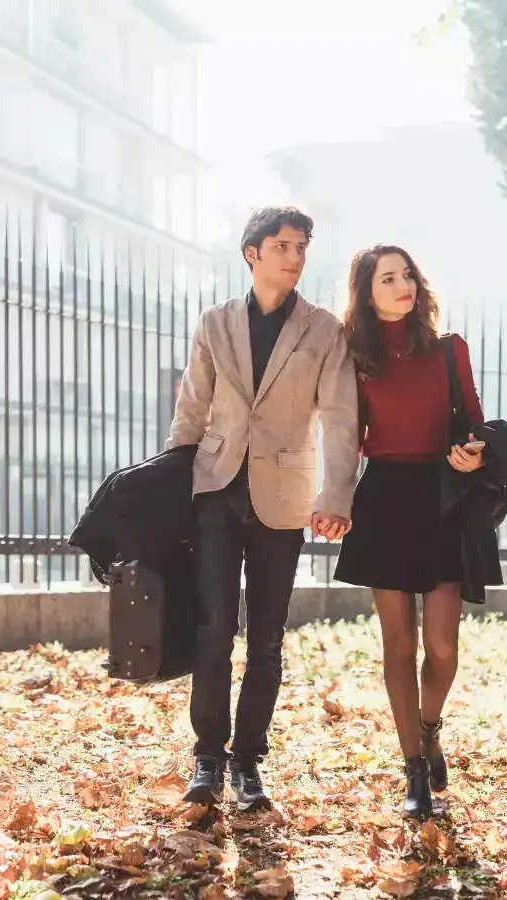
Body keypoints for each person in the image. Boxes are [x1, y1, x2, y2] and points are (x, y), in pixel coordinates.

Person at [166, 206, 359, 812]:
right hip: (215, 490)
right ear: (252, 253)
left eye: (301, 246)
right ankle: (207, 757)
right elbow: (192, 410)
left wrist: (334, 495)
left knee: (267, 638)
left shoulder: (324, 330)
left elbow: (340, 417)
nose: (295, 257)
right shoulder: (215, 323)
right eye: (282, 245)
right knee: (213, 628)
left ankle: (249, 762)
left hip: (284, 497)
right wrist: (173, 486)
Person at [332, 244, 501, 819]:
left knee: (444, 647)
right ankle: (412, 770)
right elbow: (349, 438)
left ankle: (430, 729)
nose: (402, 285)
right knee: (397, 645)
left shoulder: (451, 351)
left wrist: (474, 456)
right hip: (383, 499)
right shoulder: (355, 358)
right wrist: (332, 499)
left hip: (441, 497)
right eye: (388, 278)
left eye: (407, 275)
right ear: (367, 291)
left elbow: (475, 423)